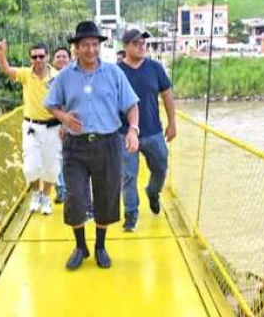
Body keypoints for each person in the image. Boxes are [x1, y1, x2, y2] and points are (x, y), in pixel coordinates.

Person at [45, 21, 139, 270]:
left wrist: (133, 130)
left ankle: (100, 245)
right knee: (74, 196)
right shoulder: (65, 76)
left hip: (108, 143)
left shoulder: (114, 73)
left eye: (94, 44)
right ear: (76, 48)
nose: (90, 50)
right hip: (75, 146)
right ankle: (80, 246)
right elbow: (50, 103)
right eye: (85, 45)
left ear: (100, 46)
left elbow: (131, 105)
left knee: (106, 196)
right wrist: (64, 118)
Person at [117, 28, 177, 232]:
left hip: (153, 131)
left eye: (144, 43)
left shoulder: (155, 68)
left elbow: (167, 95)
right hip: (125, 133)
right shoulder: (117, 72)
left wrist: (172, 122)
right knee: (128, 176)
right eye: (136, 43)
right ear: (125, 47)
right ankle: (131, 214)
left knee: (161, 167)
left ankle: (152, 192)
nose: (142, 46)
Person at [0, 39, 60, 215]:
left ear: (47, 56)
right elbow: (7, 70)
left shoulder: (57, 76)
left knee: (51, 166)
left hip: (53, 127)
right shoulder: (25, 74)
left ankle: (46, 197)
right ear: (30, 58)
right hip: (31, 126)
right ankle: (36, 194)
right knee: (30, 167)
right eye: (34, 57)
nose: (38, 60)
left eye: (41, 56)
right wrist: (1, 54)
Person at [51, 46, 71, 204]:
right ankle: (62, 189)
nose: (61, 59)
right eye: (58, 57)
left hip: (73, 124)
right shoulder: (48, 76)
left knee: (71, 158)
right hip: (53, 124)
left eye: (64, 56)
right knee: (56, 158)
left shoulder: (76, 75)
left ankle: (70, 188)